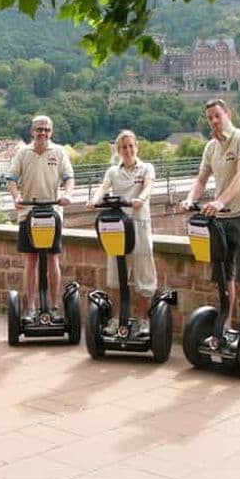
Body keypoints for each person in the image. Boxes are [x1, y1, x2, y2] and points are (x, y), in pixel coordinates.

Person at [181, 98, 240, 332]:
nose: (214, 121)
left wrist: (219, 201)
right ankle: (224, 327)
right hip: (221, 220)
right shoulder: (210, 147)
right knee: (224, 275)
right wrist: (190, 199)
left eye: (218, 115)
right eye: (210, 118)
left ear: (228, 114)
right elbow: (201, 179)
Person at [86, 130, 157, 334]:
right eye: (123, 147)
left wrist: (141, 199)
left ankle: (144, 320)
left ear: (137, 147)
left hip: (139, 223)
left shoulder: (146, 169)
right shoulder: (113, 171)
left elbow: (148, 187)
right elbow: (103, 187)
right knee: (116, 273)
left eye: (131, 146)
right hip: (118, 226)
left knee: (144, 272)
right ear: (118, 150)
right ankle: (117, 319)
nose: (128, 150)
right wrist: (95, 200)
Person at [6, 115, 74, 321]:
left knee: (53, 259)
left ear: (51, 132)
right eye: (39, 129)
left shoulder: (59, 152)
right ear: (32, 131)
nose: (42, 133)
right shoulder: (22, 153)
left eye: (46, 129)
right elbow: (12, 178)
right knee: (31, 260)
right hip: (28, 212)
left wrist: (67, 195)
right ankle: (31, 307)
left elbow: (68, 178)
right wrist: (16, 196)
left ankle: (53, 305)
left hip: (53, 213)